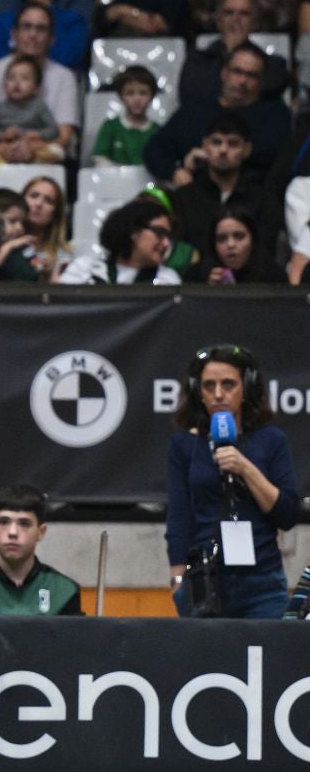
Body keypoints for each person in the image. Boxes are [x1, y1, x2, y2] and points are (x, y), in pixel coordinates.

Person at [166, 344, 300, 619]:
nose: (218, 394)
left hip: (262, 581)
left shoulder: (271, 440)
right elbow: (179, 514)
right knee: (208, 663)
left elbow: (287, 514)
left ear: (246, 388)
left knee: (264, 660)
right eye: (208, 385)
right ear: (197, 393)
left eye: (228, 384)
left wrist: (245, 467)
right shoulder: (184, 444)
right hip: (204, 580)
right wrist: (177, 577)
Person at [144, 42, 292, 182]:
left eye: (251, 75)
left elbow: (275, 157)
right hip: (195, 196)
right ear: (224, 73)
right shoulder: (195, 110)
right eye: (237, 72)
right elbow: (155, 149)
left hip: (254, 199)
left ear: (262, 81)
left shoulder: (275, 115)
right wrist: (174, 172)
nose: (242, 81)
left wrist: (212, 158)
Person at [0, 4, 77, 160]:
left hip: (42, 152)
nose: (32, 34)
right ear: (14, 34)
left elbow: (63, 136)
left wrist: (29, 147)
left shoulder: (64, 77)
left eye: (41, 29)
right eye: (26, 27)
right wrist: (6, 149)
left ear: (52, 39)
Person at [0, 485, 83, 615]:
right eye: (4, 522)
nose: (13, 532)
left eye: (24, 524)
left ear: (41, 532)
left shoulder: (64, 591)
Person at [169, 115, 267, 253]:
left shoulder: (262, 199)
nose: (223, 150)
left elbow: (265, 251)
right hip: (195, 274)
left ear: (247, 150)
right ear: (205, 145)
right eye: (216, 142)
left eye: (232, 143)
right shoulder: (184, 198)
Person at [178, 0, 292, 104]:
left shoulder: (274, 64)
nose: (236, 19)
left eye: (244, 13)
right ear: (219, 22)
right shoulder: (197, 61)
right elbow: (190, 96)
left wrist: (237, 52)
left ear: (255, 23)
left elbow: (274, 86)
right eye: (229, 13)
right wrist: (230, 53)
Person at [57, 198, 179, 284]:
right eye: (159, 233)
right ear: (134, 231)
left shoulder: (167, 281)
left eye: (169, 236)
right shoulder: (85, 270)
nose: (166, 243)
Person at [0, 55, 61, 163]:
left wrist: (35, 135)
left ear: (36, 88)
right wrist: (3, 135)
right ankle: (2, 167)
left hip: (32, 146)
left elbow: (53, 130)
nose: (17, 83)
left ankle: (37, 168)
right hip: (4, 146)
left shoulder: (39, 106)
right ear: (4, 85)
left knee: (56, 151)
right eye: (11, 78)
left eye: (25, 78)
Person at [91, 64, 160, 167]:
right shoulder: (110, 126)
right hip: (115, 181)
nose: (137, 99)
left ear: (152, 95)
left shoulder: (157, 131)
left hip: (149, 183)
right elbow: (99, 158)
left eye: (143, 93)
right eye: (130, 93)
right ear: (121, 96)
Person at [194, 207, 280, 285]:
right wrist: (208, 292)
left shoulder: (275, 276)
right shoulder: (196, 276)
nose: (230, 244)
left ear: (253, 240)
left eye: (239, 236)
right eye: (221, 239)